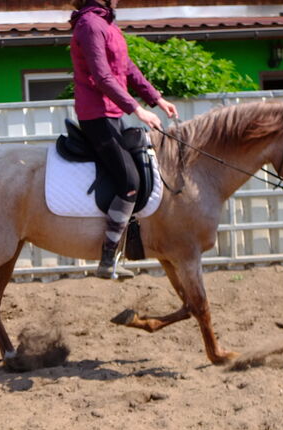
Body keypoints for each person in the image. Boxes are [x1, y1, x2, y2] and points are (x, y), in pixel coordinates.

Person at [70, 0, 178, 279]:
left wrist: (156, 98)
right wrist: (138, 110)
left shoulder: (108, 24)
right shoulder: (89, 25)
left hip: (113, 112)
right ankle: (107, 257)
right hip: (96, 114)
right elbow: (102, 76)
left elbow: (126, 68)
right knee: (129, 182)